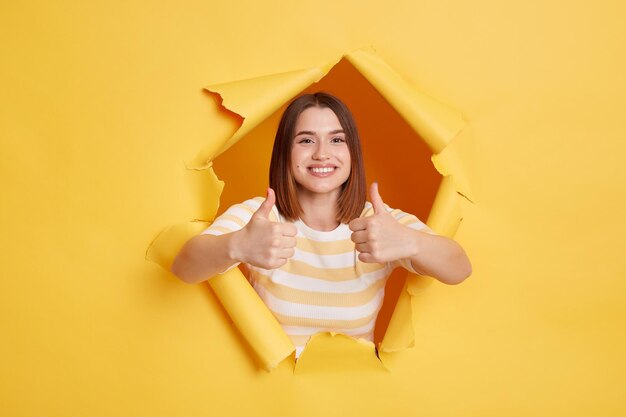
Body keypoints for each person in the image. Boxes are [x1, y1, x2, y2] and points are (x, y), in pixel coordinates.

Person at [171, 92, 471, 357]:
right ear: (285, 152)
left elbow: (459, 269)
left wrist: (410, 241)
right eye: (306, 140)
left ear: (352, 151)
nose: (322, 153)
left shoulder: (379, 226)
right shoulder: (261, 219)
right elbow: (184, 268)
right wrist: (237, 245)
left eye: (337, 139)